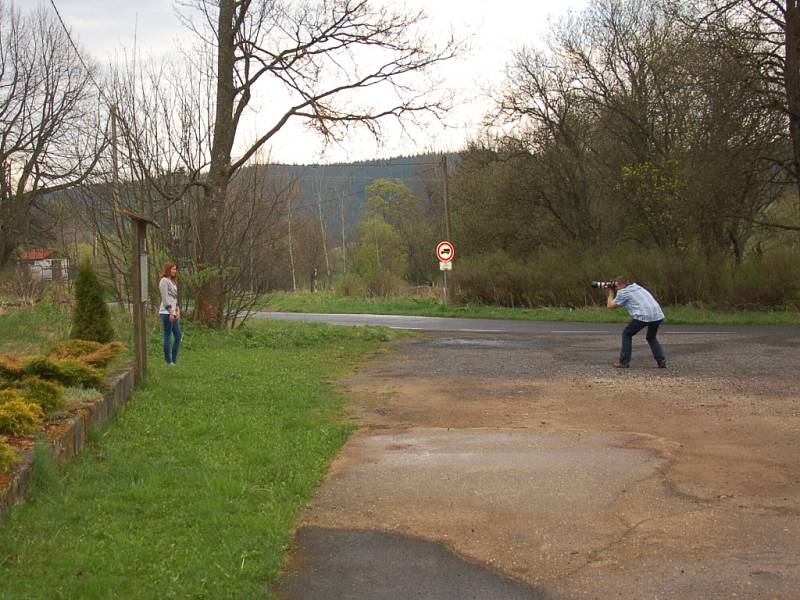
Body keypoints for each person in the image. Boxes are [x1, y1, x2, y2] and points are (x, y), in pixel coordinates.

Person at [606, 276, 666, 369]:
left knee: (627, 334)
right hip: (657, 314)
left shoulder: (623, 292)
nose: (616, 288)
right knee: (651, 337)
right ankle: (661, 360)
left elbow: (610, 306)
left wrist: (610, 292)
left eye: (616, 286)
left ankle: (624, 362)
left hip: (643, 315)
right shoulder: (637, 287)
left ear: (620, 284)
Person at [158, 261, 181, 365]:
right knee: (168, 336)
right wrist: (171, 312)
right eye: (173, 269)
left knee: (178, 336)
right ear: (168, 269)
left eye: (175, 269)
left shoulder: (173, 282)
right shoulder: (164, 281)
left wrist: (178, 310)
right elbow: (165, 298)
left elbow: (175, 298)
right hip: (166, 312)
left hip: (174, 312)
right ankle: (168, 360)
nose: (175, 271)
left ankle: (174, 359)